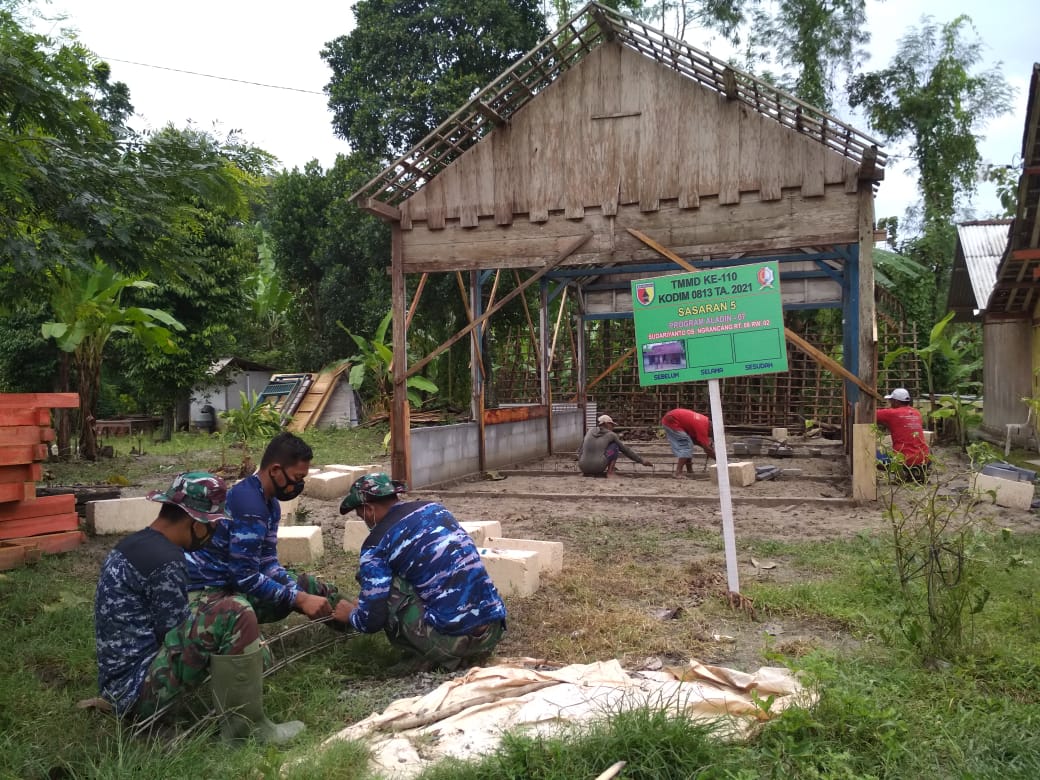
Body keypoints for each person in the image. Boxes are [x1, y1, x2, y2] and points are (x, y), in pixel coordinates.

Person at [94, 472, 305, 743]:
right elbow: (172, 633)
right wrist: (243, 642)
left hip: (116, 684)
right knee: (235, 611)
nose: (213, 534)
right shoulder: (168, 562)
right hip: (136, 690)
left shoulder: (135, 544)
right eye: (213, 526)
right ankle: (248, 732)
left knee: (224, 615)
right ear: (195, 523)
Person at [338, 472, 507, 672]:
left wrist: (353, 615)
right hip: (493, 631)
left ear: (368, 509)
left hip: (452, 644)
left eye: (361, 515)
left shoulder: (375, 546)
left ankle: (423, 656)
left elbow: (372, 621)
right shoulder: (435, 510)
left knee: (381, 583)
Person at [186, 432, 349, 626]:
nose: (298, 485)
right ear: (275, 470)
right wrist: (299, 600)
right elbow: (244, 576)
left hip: (231, 580)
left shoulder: (270, 503)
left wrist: (297, 592)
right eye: (297, 478)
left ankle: (353, 617)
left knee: (303, 585)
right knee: (281, 600)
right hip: (207, 590)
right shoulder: (250, 506)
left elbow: (267, 561)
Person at [876, 387, 931, 482]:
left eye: (891, 401)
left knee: (876, 457)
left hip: (904, 460)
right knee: (925, 450)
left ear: (896, 402)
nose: (890, 403)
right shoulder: (916, 413)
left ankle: (902, 472)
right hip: (924, 459)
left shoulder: (892, 413)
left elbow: (871, 414)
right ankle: (916, 473)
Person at [577, 414, 652, 477]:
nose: (613, 427)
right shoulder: (611, 435)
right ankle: (610, 472)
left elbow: (580, 449)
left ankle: (586, 471)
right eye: (612, 424)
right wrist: (641, 461)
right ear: (606, 424)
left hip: (583, 467)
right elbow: (625, 450)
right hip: (598, 467)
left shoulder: (589, 431)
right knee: (615, 446)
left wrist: (581, 461)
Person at [661, 408, 716, 478]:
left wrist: (706, 446)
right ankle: (678, 473)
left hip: (673, 417)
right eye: (710, 435)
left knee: (690, 442)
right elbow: (707, 449)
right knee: (687, 445)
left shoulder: (704, 421)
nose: (709, 436)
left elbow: (697, 441)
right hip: (672, 421)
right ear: (711, 429)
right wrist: (719, 460)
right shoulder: (702, 427)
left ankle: (689, 470)